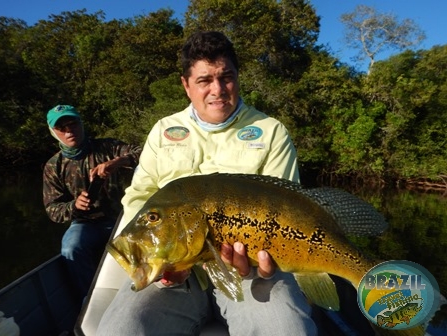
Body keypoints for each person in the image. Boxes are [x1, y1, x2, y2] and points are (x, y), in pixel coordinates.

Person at [97, 31, 317, 335]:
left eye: (226, 77)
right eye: (204, 80)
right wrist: (154, 259)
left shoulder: (270, 131)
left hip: (250, 270)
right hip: (175, 274)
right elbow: (139, 197)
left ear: (238, 78)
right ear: (186, 85)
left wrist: (269, 259)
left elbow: (285, 210)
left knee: (287, 330)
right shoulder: (163, 131)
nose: (218, 89)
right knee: (119, 330)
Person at [43, 105, 141, 301]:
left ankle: (138, 295)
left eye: (73, 124)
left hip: (121, 219)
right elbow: (53, 210)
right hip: (85, 223)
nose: (69, 130)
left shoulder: (107, 148)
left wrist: (117, 162)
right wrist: (74, 206)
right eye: (62, 128)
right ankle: (89, 301)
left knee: (143, 243)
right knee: (70, 248)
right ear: (54, 132)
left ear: (81, 124)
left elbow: (144, 152)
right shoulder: (53, 166)